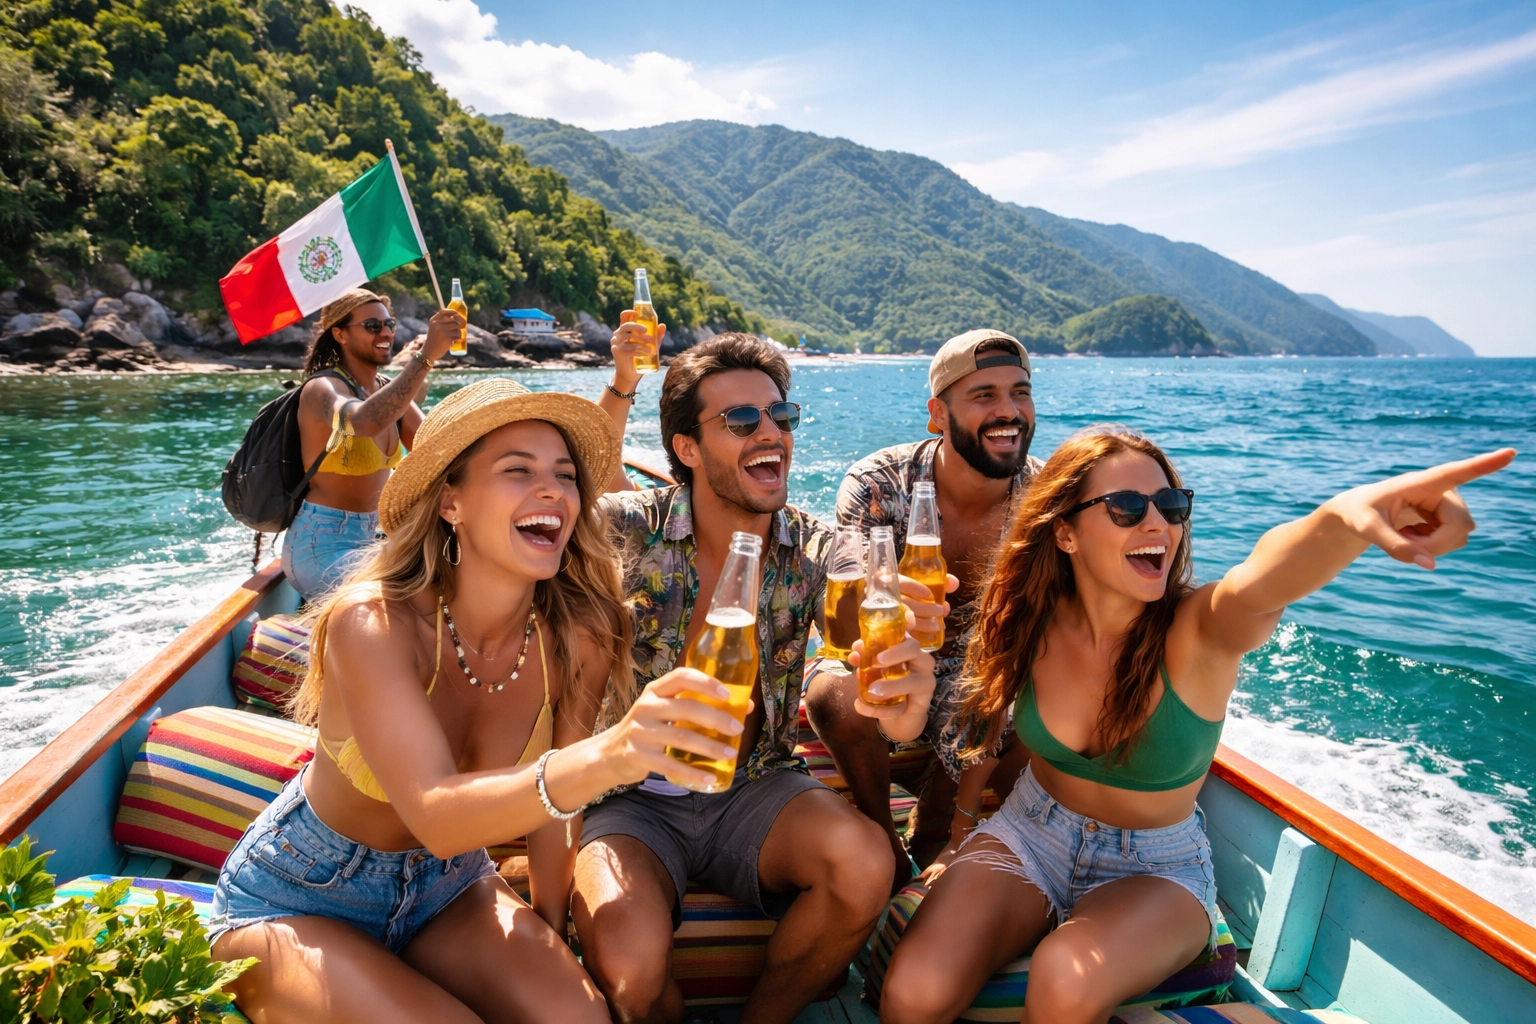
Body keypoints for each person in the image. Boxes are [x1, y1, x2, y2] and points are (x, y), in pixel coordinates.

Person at [878, 427, 1515, 1024]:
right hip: (1031, 831)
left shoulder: (1200, 630)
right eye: (1126, 506)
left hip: (1157, 867)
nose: (1157, 523)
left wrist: (1342, 521)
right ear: (1065, 533)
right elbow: (983, 721)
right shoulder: (1027, 617)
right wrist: (962, 832)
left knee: (1065, 981)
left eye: (1171, 505)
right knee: (912, 996)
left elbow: (1261, 582)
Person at [210, 378, 762, 1022]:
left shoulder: (577, 632)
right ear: (451, 502)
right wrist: (619, 752)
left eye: (565, 474)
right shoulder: (374, 624)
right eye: (517, 470)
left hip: (448, 887)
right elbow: (436, 816)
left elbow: (556, 815)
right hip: (303, 893)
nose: (553, 489)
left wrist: (555, 935)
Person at [575, 334, 943, 1024]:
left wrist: (900, 643)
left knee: (867, 865)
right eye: (742, 421)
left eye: (782, 416)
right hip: (632, 797)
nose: (771, 432)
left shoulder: (812, 545)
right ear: (686, 448)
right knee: (629, 970)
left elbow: (864, 574)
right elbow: (562, 507)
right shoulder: (628, 530)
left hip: (757, 787)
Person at [805, 329, 1039, 883]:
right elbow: (845, 601)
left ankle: (937, 826)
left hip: (985, 671)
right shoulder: (879, 482)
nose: (1008, 411)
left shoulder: (1045, 497)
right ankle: (879, 830)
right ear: (938, 413)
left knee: (1048, 699)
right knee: (832, 692)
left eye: (1020, 392)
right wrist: (894, 616)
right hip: (888, 650)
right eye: (984, 395)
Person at [283, 289, 462, 602]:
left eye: (389, 324)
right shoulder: (320, 389)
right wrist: (425, 357)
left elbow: (436, 447)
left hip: (372, 538)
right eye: (372, 326)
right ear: (339, 334)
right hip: (320, 545)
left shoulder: (387, 393)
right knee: (410, 602)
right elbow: (362, 422)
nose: (386, 333)